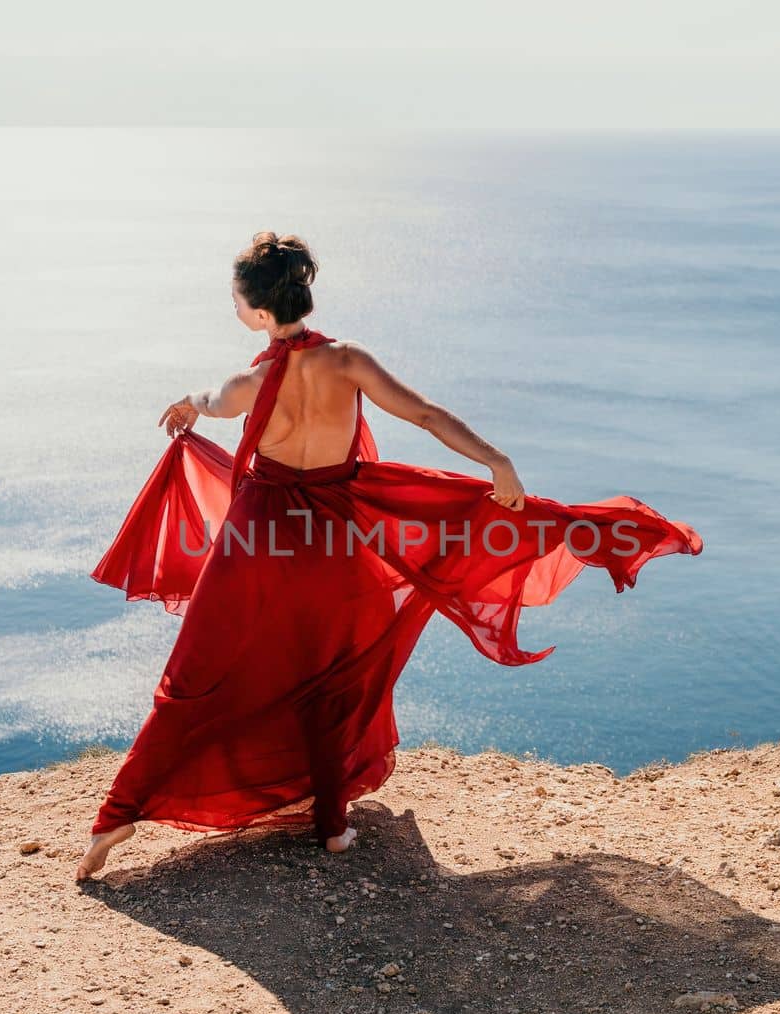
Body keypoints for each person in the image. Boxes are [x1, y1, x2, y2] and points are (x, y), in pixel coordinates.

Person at [76, 231, 702, 881]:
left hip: (255, 539)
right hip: (335, 540)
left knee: (192, 676)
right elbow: (427, 415)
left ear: (262, 312)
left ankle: (114, 821)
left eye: (236, 302)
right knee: (328, 677)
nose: (235, 310)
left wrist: (188, 402)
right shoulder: (349, 363)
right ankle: (332, 826)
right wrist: (496, 460)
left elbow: (211, 403)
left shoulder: (252, 379)